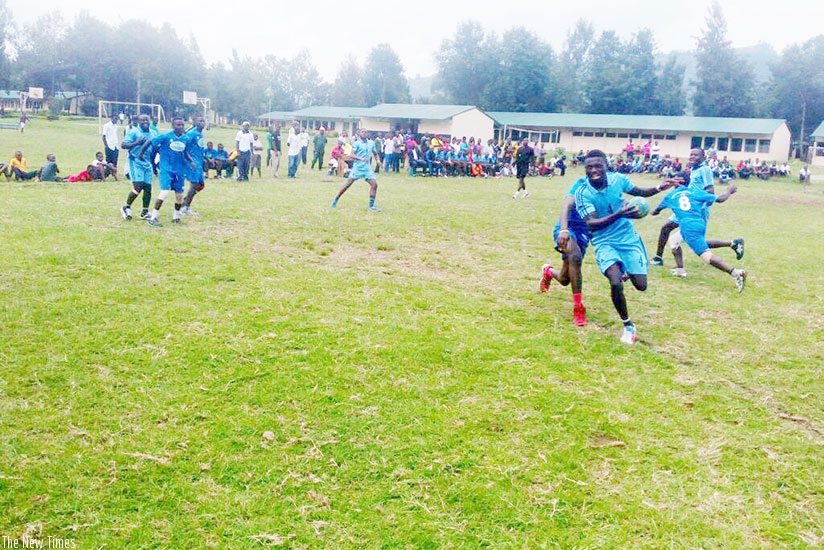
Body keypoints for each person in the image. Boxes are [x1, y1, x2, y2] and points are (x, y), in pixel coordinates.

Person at [574, 149, 679, 345]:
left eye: (598, 166)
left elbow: (638, 192)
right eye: (589, 167)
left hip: (628, 239)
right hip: (604, 241)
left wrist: (660, 187)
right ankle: (628, 325)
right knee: (615, 282)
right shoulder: (582, 193)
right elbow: (591, 223)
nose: (594, 170)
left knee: (641, 285)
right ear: (585, 170)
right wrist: (619, 214)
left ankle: (625, 268)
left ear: (606, 166)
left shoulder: (618, 180)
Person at [650, 148, 743, 266]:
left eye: (696, 155)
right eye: (691, 155)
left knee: (697, 242)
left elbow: (710, 190)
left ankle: (733, 244)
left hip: (698, 209)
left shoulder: (705, 170)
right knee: (666, 228)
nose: (692, 157)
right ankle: (659, 258)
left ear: (703, 156)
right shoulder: (694, 169)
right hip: (688, 206)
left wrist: (700, 202)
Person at [652, 184, 746, 292]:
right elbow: (720, 199)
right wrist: (729, 191)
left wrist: (649, 211)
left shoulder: (670, 196)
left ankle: (737, 273)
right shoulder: (695, 192)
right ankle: (680, 270)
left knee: (706, 256)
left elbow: (656, 211)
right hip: (699, 223)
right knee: (674, 240)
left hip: (688, 228)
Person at [539, 168, 594, 326]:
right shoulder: (580, 185)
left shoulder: (607, 189)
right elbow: (566, 205)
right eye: (591, 167)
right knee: (575, 257)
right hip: (567, 228)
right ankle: (578, 308)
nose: (595, 170)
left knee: (565, 279)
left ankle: (548, 271)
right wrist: (563, 229)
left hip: (584, 233)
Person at [139, 116, 192, 226]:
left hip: (179, 171)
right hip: (166, 169)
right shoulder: (166, 136)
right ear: (173, 126)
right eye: (178, 124)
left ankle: (176, 217)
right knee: (164, 193)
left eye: (182, 124)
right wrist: (141, 152)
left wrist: (190, 161)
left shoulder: (185, 138)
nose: (181, 126)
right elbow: (150, 141)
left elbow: (184, 152)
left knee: (179, 195)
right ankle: (153, 218)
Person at [330, 128, 381, 212]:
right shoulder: (357, 143)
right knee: (347, 184)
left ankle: (371, 206)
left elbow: (375, 153)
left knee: (374, 185)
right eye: (362, 132)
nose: (364, 133)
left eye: (365, 132)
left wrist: (378, 161)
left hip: (367, 168)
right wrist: (360, 158)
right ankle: (335, 200)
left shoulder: (371, 143)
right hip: (358, 167)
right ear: (359, 133)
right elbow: (352, 154)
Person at [120, 114, 156, 220]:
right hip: (135, 161)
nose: (145, 121)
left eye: (147, 120)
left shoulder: (153, 133)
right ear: (138, 121)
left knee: (148, 188)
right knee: (138, 186)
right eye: (142, 120)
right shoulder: (134, 132)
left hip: (147, 162)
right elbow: (123, 145)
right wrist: (136, 143)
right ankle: (126, 207)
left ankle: (144, 212)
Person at [181, 116, 207, 216]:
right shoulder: (191, 133)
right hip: (192, 163)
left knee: (201, 185)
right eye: (200, 121)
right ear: (195, 122)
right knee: (194, 184)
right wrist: (188, 160)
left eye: (203, 121)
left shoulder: (200, 134)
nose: (202, 123)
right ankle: (185, 208)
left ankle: (185, 201)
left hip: (199, 162)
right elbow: (183, 144)